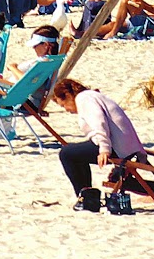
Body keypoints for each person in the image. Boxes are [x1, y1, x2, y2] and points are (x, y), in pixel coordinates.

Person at [51, 77, 147, 211]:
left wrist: (104, 149)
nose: (66, 109)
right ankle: (86, 195)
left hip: (117, 148)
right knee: (75, 152)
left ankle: (86, 198)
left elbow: (99, 123)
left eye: (63, 105)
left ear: (68, 95)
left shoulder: (83, 99)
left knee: (66, 154)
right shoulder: (92, 96)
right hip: (126, 147)